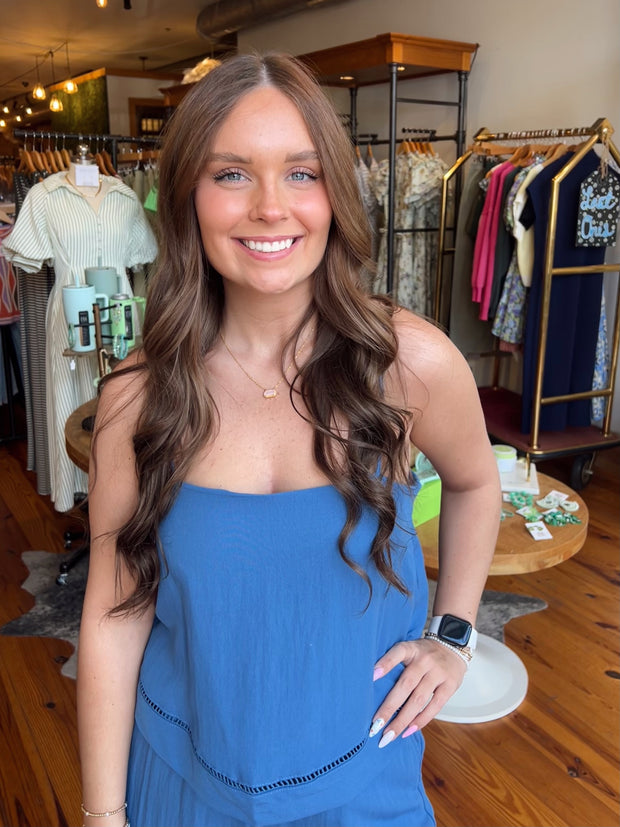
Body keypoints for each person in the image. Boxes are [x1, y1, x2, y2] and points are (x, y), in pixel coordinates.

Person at [77, 51, 501, 827]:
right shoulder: (138, 397)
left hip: (363, 779)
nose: (270, 207)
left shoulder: (409, 363)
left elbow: (475, 483)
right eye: (231, 173)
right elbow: (114, 613)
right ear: (187, 195)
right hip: (180, 777)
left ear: (335, 193)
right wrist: (103, 816)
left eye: (301, 173)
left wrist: (454, 635)